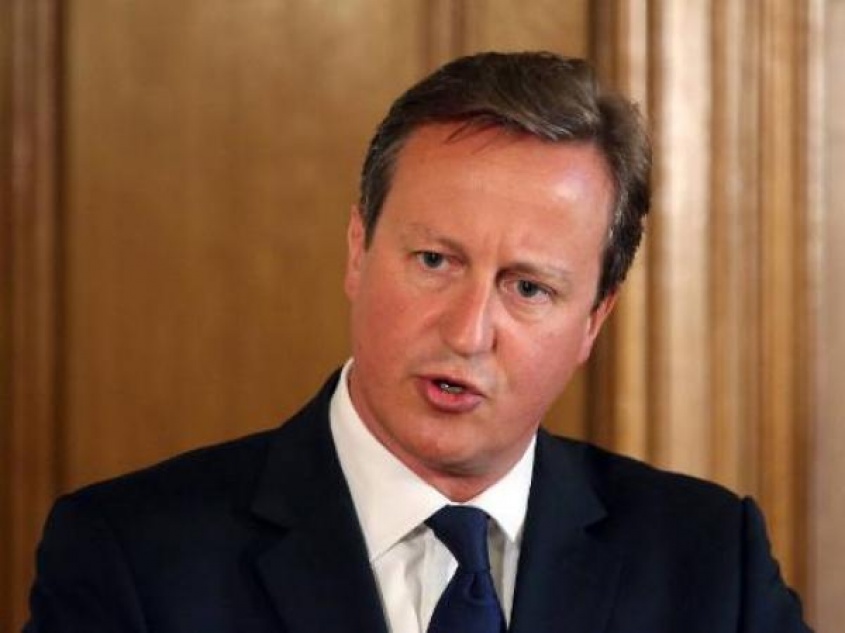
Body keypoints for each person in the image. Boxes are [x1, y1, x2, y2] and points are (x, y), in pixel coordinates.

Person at [25, 51, 811, 633]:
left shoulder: (711, 562)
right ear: (357, 251)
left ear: (593, 321)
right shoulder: (132, 557)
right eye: (435, 261)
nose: (466, 332)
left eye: (527, 288)